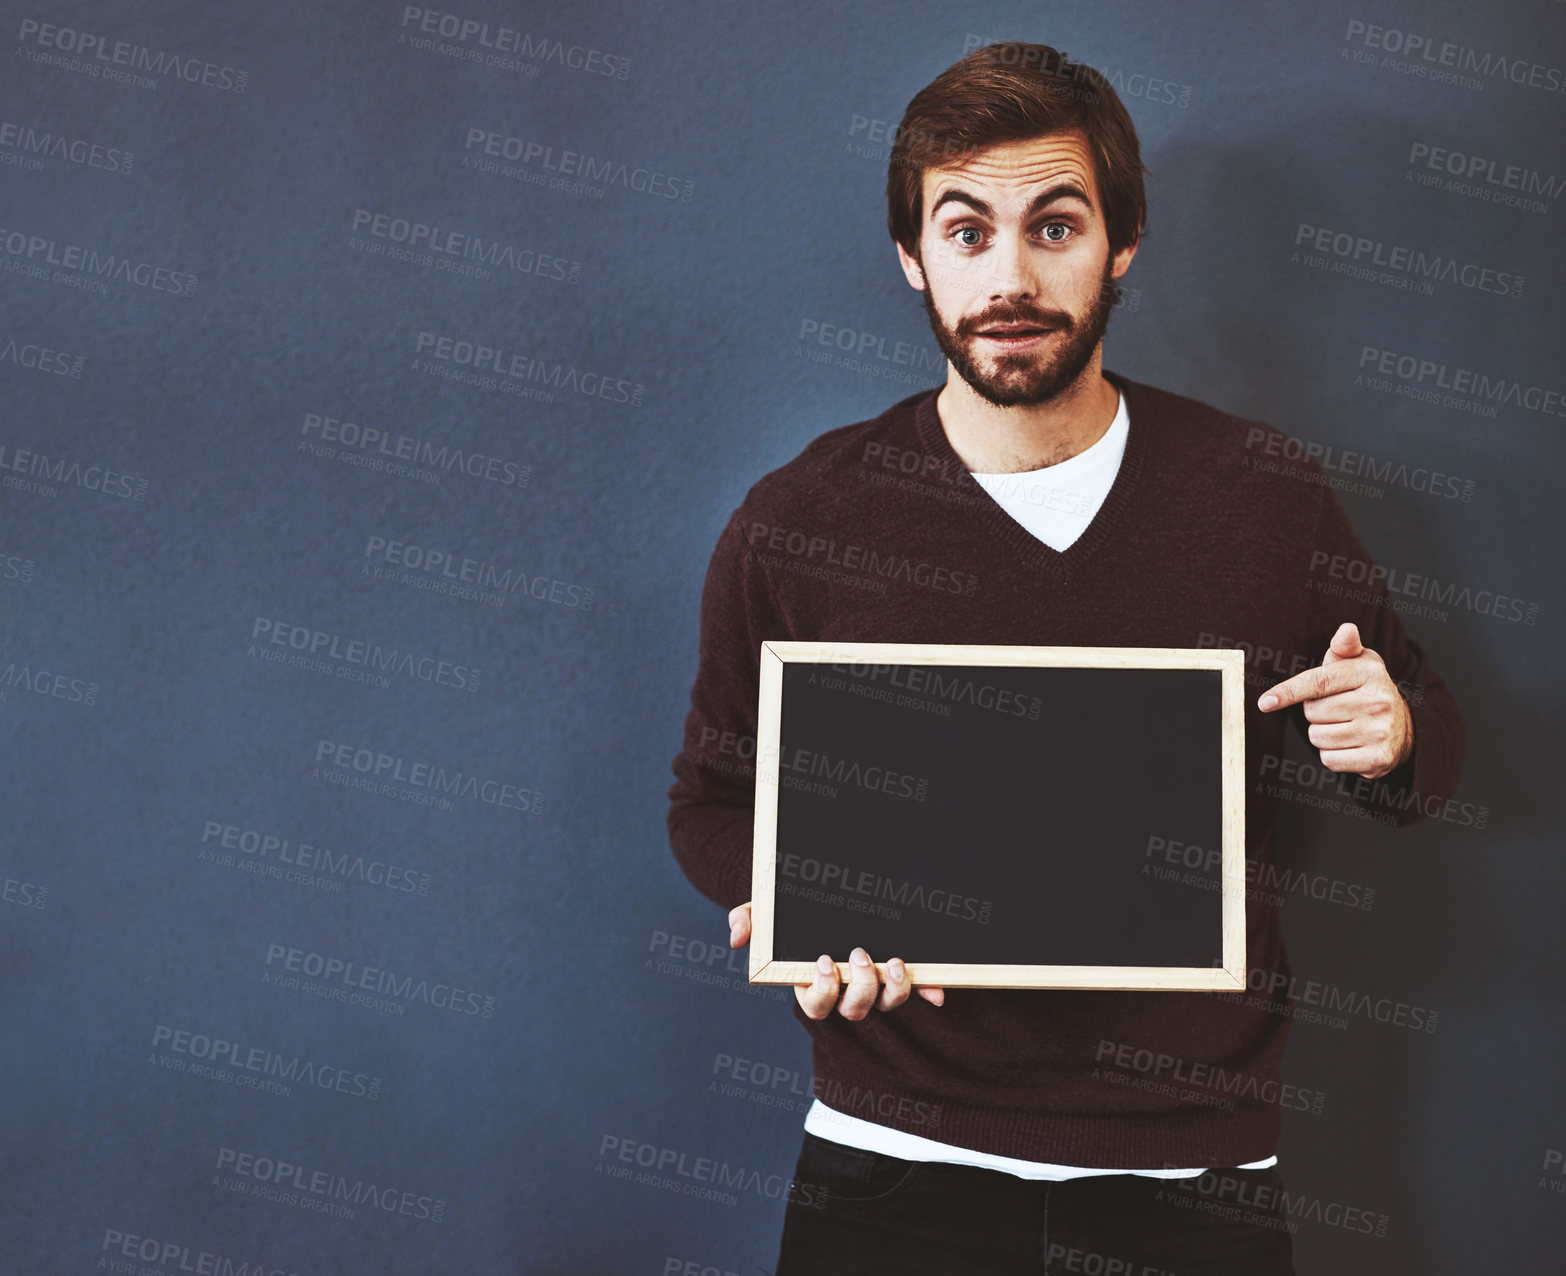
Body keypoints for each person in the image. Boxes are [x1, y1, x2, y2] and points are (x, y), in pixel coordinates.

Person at [665, 41, 1463, 1275]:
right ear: (910, 255)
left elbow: (1424, 749)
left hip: (1194, 1179)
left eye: (1056, 224)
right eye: (967, 230)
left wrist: (1393, 730)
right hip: (891, 1168)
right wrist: (796, 903)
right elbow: (711, 802)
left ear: (1124, 240)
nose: (1012, 275)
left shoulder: (1262, 495)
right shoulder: (799, 520)